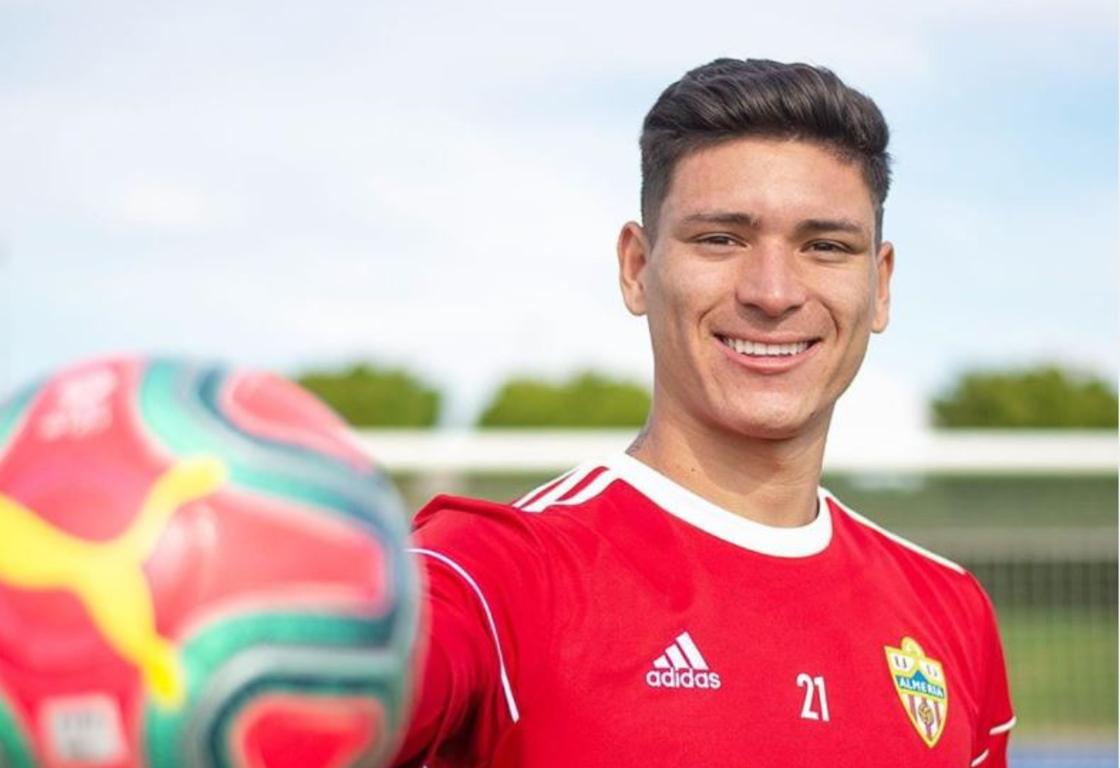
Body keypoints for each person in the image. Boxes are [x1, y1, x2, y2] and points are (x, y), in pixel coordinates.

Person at [392, 58, 1015, 767]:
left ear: (879, 285)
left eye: (825, 246)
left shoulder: (952, 611)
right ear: (637, 267)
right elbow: (327, 698)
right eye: (721, 239)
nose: (773, 293)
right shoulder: (493, 571)